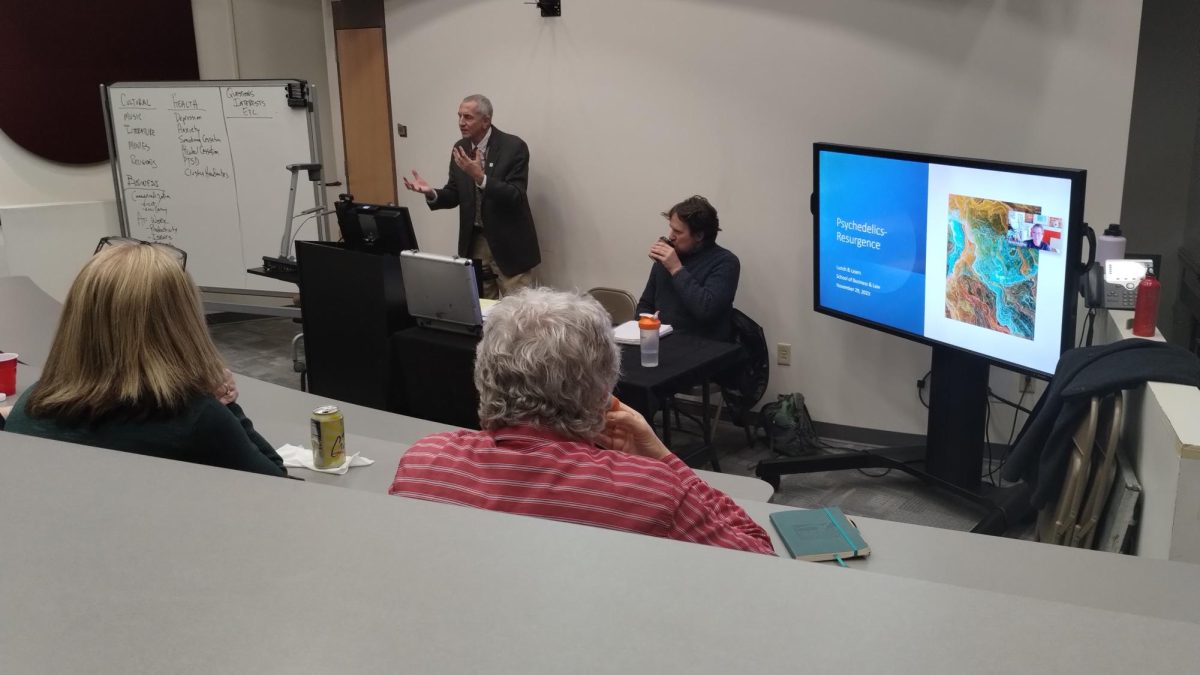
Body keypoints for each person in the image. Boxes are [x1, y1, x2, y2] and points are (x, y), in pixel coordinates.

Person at [389, 288, 774, 555]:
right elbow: (756, 551)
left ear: (483, 374)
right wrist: (664, 460)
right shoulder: (651, 490)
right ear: (601, 393)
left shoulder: (423, 462)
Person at [4, 239, 287, 477]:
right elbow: (275, 482)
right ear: (180, 322)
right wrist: (225, 402)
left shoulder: (30, 406)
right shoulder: (195, 419)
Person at [402, 94, 540, 299]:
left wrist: (479, 176)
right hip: (476, 243)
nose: (461, 123)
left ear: (486, 120)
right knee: (482, 307)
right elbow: (454, 193)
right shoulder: (461, 148)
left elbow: (515, 195)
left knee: (519, 313)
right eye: (459, 116)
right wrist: (431, 193)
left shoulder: (513, 147)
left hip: (510, 244)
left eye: (467, 117)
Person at [636, 195, 740, 341]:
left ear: (698, 236)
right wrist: (646, 328)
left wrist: (677, 270)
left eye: (678, 232)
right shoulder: (667, 258)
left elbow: (706, 311)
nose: (671, 236)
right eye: (671, 229)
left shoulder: (725, 262)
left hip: (704, 349)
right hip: (661, 341)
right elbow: (645, 305)